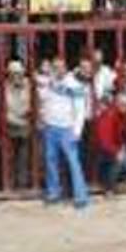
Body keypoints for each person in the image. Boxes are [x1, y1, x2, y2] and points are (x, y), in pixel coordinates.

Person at [37, 58, 90, 210]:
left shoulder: (74, 84)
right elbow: (44, 100)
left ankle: (81, 197)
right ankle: (53, 194)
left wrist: (77, 131)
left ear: (65, 68)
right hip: (50, 127)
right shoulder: (49, 82)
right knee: (50, 162)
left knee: (73, 163)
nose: (58, 70)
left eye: (60, 67)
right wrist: (43, 119)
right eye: (55, 67)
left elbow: (80, 110)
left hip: (67, 129)